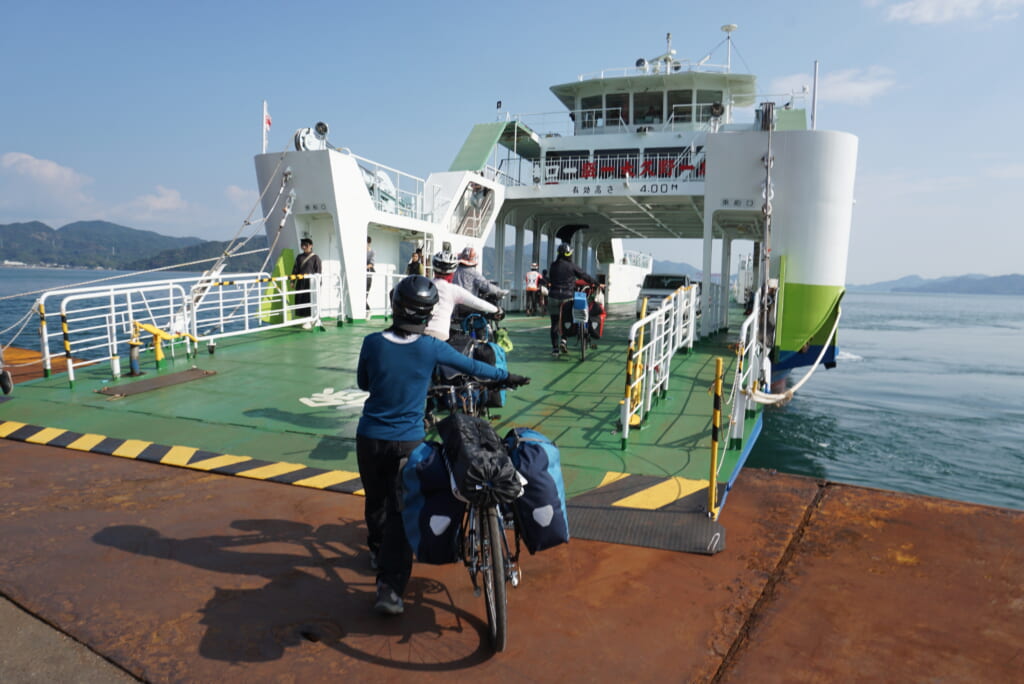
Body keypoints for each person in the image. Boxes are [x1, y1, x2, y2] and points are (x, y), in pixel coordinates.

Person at [356, 275, 528, 615]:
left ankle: (376, 550)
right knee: (399, 511)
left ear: (395, 305)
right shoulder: (431, 348)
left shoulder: (372, 343)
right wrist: (506, 377)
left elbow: (364, 383)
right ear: (428, 314)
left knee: (376, 500)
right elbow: (473, 366)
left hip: (370, 438)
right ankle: (389, 589)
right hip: (407, 442)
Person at [425, 249, 501, 342]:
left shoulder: (425, 285)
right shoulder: (453, 289)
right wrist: (497, 310)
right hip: (441, 335)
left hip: (422, 333)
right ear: (452, 271)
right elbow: (478, 302)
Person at [547, 243, 598, 356]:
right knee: (567, 320)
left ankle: (555, 349)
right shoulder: (571, 266)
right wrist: (596, 283)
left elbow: (551, 279)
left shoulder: (553, 265)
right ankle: (564, 341)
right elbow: (584, 276)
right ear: (568, 254)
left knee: (554, 323)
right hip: (567, 297)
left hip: (553, 296)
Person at [291, 238, 322, 329]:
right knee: (301, 299)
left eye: (306, 245)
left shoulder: (315, 257)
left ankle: (310, 319)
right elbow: (295, 270)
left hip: (311, 283)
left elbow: (318, 271)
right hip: (301, 282)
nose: (304, 247)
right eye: (302, 245)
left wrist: (318, 283)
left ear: (311, 246)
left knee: (310, 300)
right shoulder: (299, 257)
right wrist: (292, 281)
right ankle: (305, 319)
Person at [366, 236, 375, 311]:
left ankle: (368, 310)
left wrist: (364, 267)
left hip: (367, 276)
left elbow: (371, 264)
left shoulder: (372, 252)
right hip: (360, 276)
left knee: (365, 294)